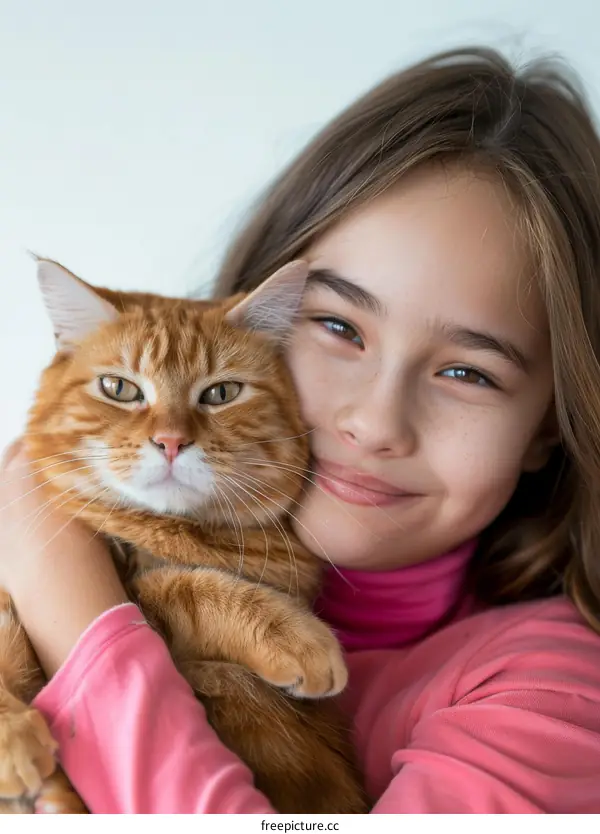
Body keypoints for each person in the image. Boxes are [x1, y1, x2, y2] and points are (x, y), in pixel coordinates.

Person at [2, 46, 600, 814]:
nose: (376, 423)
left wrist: (73, 610)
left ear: (550, 427)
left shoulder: (552, 692)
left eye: (468, 373)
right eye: (338, 327)